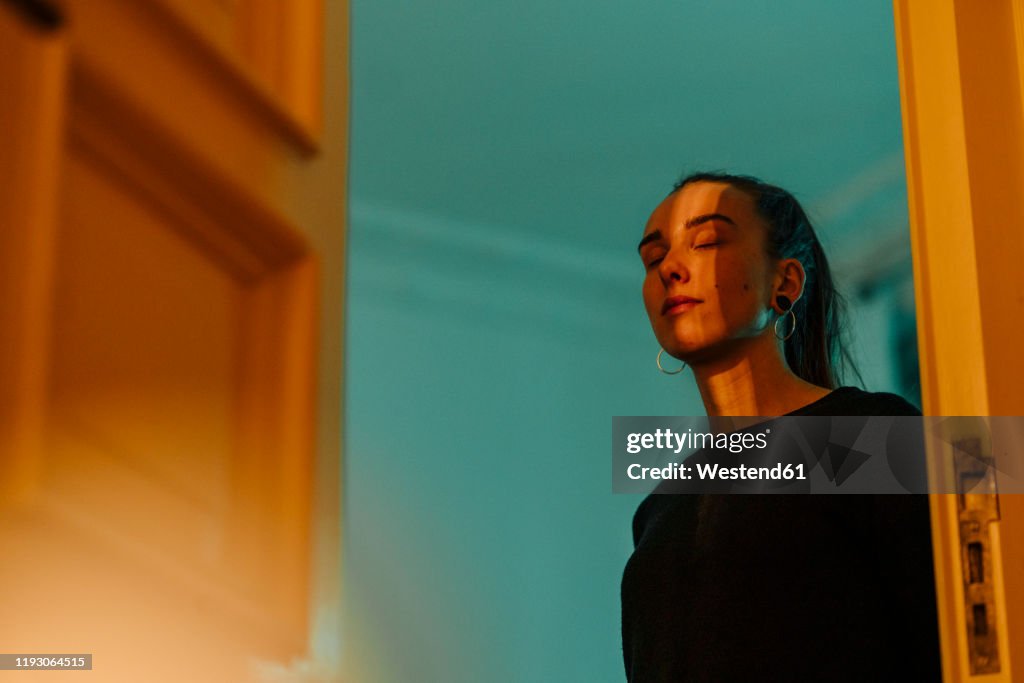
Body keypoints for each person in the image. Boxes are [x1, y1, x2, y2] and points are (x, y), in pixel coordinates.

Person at [621, 172, 942, 681]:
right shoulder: (660, 508)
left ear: (785, 283)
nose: (670, 269)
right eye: (653, 257)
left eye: (705, 242)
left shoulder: (871, 437)